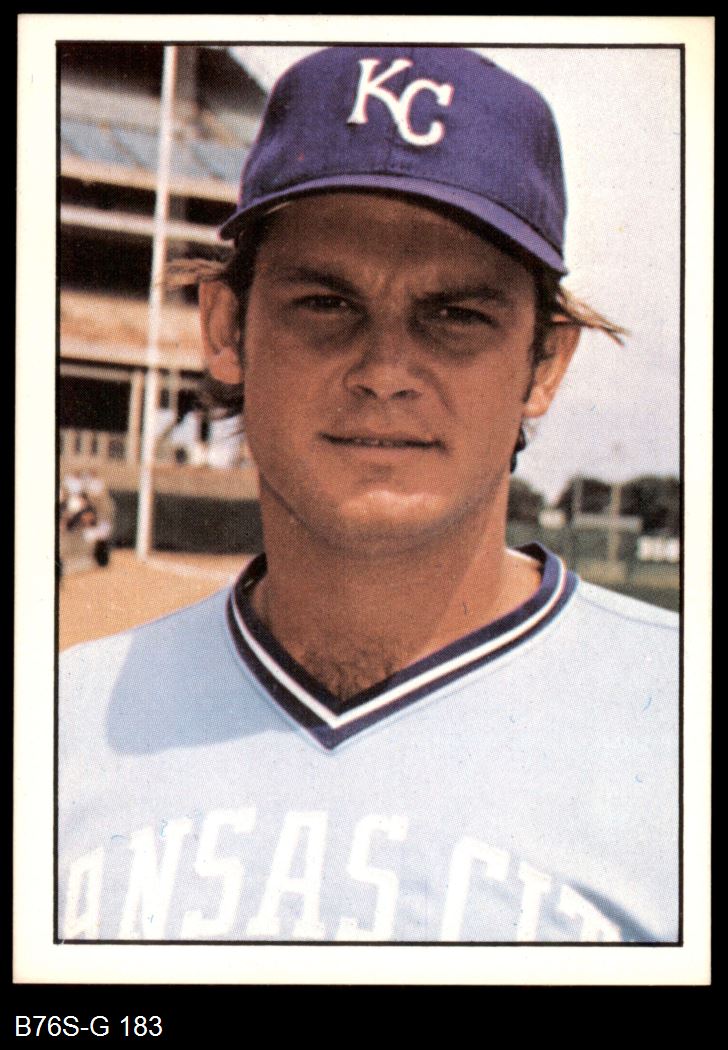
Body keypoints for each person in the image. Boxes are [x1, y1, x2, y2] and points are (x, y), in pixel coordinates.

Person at [59, 46, 678, 944]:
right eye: (326, 303)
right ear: (228, 329)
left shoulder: (679, 730)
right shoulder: (55, 728)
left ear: (543, 362)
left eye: (456, 314)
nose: (386, 371)